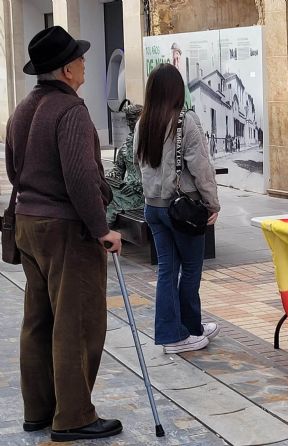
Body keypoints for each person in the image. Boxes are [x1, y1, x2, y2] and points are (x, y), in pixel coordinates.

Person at [5, 26, 123, 441]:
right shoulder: (70, 111)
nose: (85, 64)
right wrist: (102, 229)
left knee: (38, 320)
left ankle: (38, 411)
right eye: (81, 59)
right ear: (68, 69)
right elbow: (80, 176)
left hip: (27, 223)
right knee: (77, 322)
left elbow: (13, 170)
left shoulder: (22, 109)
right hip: (66, 229)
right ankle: (73, 416)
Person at [134, 63, 221, 354]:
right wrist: (212, 203)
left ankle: (181, 331)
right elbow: (202, 169)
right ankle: (184, 333)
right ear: (176, 90)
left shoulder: (142, 123)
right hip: (182, 210)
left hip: (153, 208)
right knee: (192, 268)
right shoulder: (186, 120)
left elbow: (139, 164)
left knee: (167, 272)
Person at [105, 103, 144, 226]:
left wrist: (137, 185)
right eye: (128, 120)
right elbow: (119, 168)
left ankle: (103, 234)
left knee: (111, 201)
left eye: (133, 119)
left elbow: (159, 173)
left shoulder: (151, 143)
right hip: (126, 189)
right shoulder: (126, 146)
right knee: (101, 188)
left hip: (143, 194)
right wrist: (113, 174)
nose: (129, 123)